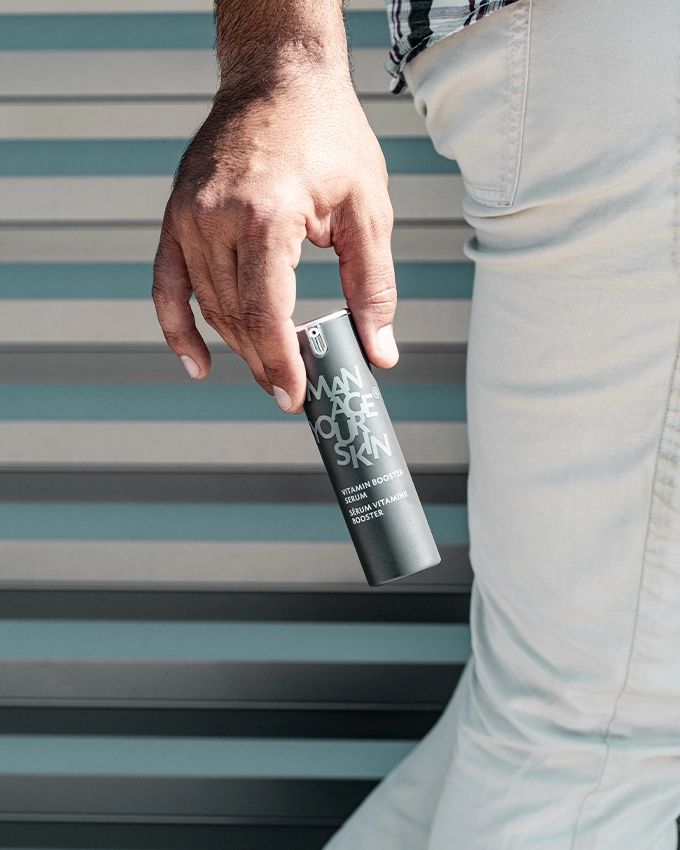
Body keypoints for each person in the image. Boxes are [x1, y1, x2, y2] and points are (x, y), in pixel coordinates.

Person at [151, 0, 680, 847]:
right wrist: (286, 63)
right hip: (633, 67)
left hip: (584, 71)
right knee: (596, 732)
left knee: (548, 707)